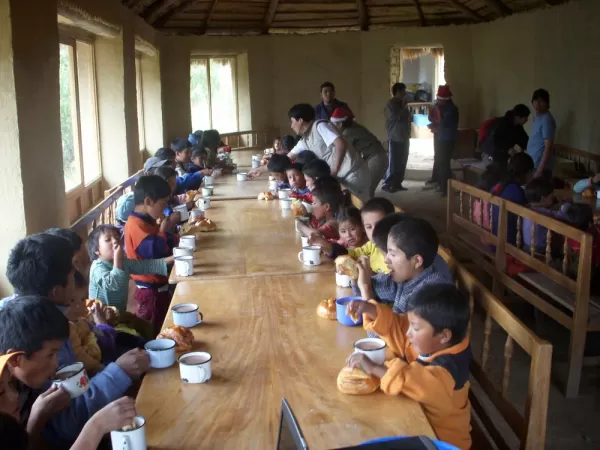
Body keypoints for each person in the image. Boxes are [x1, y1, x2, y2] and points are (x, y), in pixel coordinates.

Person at [0, 294, 148, 448]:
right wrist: (38, 418)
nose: (56, 363)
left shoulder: (30, 379)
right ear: (15, 360)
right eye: (50, 355)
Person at [346, 283, 472, 450]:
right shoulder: (436, 342)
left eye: (416, 328)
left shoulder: (448, 369)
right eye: (411, 325)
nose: (408, 332)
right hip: (420, 426)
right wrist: (370, 309)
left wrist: (374, 368)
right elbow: (399, 327)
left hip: (441, 442)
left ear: (444, 335)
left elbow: (417, 384)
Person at [353, 216, 454, 313]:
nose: (386, 260)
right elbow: (377, 288)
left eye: (392, 254)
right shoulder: (409, 275)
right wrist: (356, 276)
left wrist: (365, 289)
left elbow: (393, 330)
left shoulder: (428, 295)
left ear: (417, 261)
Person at [124, 175, 177, 331]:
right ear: (148, 202)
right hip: (149, 293)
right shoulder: (135, 225)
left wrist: (174, 237)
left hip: (159, 288)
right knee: (153, 330)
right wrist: (162, 230)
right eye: (163, 203)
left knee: (164, 323)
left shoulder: (147, 220)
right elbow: (154, 251)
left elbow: (159, 238)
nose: (165, 207)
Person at [287, 104, 371, 202]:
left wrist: (335, 169)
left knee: (361, 207)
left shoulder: (320, 126)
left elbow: (340, 144)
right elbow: (287, 158)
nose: (291, 126)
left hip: (353, 173)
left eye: (292, 121)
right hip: (342, 176)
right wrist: (269, 165)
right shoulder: (305, 139)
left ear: (300, 121)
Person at [88, 224, 172, 314]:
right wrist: (117, 259)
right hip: (100, 320)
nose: (115, 241)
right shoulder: (97, 267)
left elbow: (146, 266)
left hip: (117, 314)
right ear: (96, 250)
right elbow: (113, 283)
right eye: (108, 240)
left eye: (117, 238)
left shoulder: (123, 262)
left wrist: (174, 258)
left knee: (145, 327)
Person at [310, 197, 395, 274]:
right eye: (368, 227)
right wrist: (329, 247)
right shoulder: (372, 246)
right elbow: (351, 253)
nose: (374, 231)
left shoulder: (396, 256)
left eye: (379, 225)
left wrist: (369, 275)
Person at [331, 107, 388, 197]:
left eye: (334, 124)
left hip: (376, 159)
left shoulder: (347, 133)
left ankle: (369, 209)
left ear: (340, 124)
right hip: (378, 157)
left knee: (366, 191)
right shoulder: (355, 127)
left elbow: (346, 153)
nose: (333, 127)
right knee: (366, 190)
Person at [490, 152, 535, 245]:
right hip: (509, 243)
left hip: (495, 239)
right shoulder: (518, 192)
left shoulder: (501, 186)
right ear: (529, 172)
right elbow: (524, 223)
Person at [428, 85, 459, 196]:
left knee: (444, 163)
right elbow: (431, 117)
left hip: (447, 139)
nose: (438, 101)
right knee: (440, 161)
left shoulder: (452, 109)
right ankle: (441, 184)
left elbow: (444, 123)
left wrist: (437, 115)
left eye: (440, 99)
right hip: (439, 136)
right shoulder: (439, 106)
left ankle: (446, 189)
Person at [296, 176, 345, 241]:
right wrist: (306, 215)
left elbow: (315, 235)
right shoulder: (325, 219)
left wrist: (301, 226)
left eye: (314, 203)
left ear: (327, 207)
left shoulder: (332, 224)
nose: (312, 205)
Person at [522, 177, 564, 254]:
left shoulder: (527, 208)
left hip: (526, 246)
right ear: (543, 198)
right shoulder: (545, 213)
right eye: (552, 196)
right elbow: (562, 216)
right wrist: (564, 204)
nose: (553, 198)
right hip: (540, 249)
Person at [383, 83, 411, 193]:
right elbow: (396, 117)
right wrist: (404, 107)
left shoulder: (402, 104)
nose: (404, 94)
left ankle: (398, 183)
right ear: (397, 92)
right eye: (403, 91)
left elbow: (407, 117)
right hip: (395, 137)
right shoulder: (391, 104)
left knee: (402, 161)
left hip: (404, 137)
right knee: (393, 163)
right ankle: (389, 184)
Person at [526, 89, 556, 179]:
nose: (537, 104)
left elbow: (548, 146)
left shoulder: (546, 119)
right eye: (535, 101)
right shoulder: (537, 118)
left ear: (547, 103)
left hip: (540, 167)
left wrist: (540, 170)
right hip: (533, 164)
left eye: (541, 101)